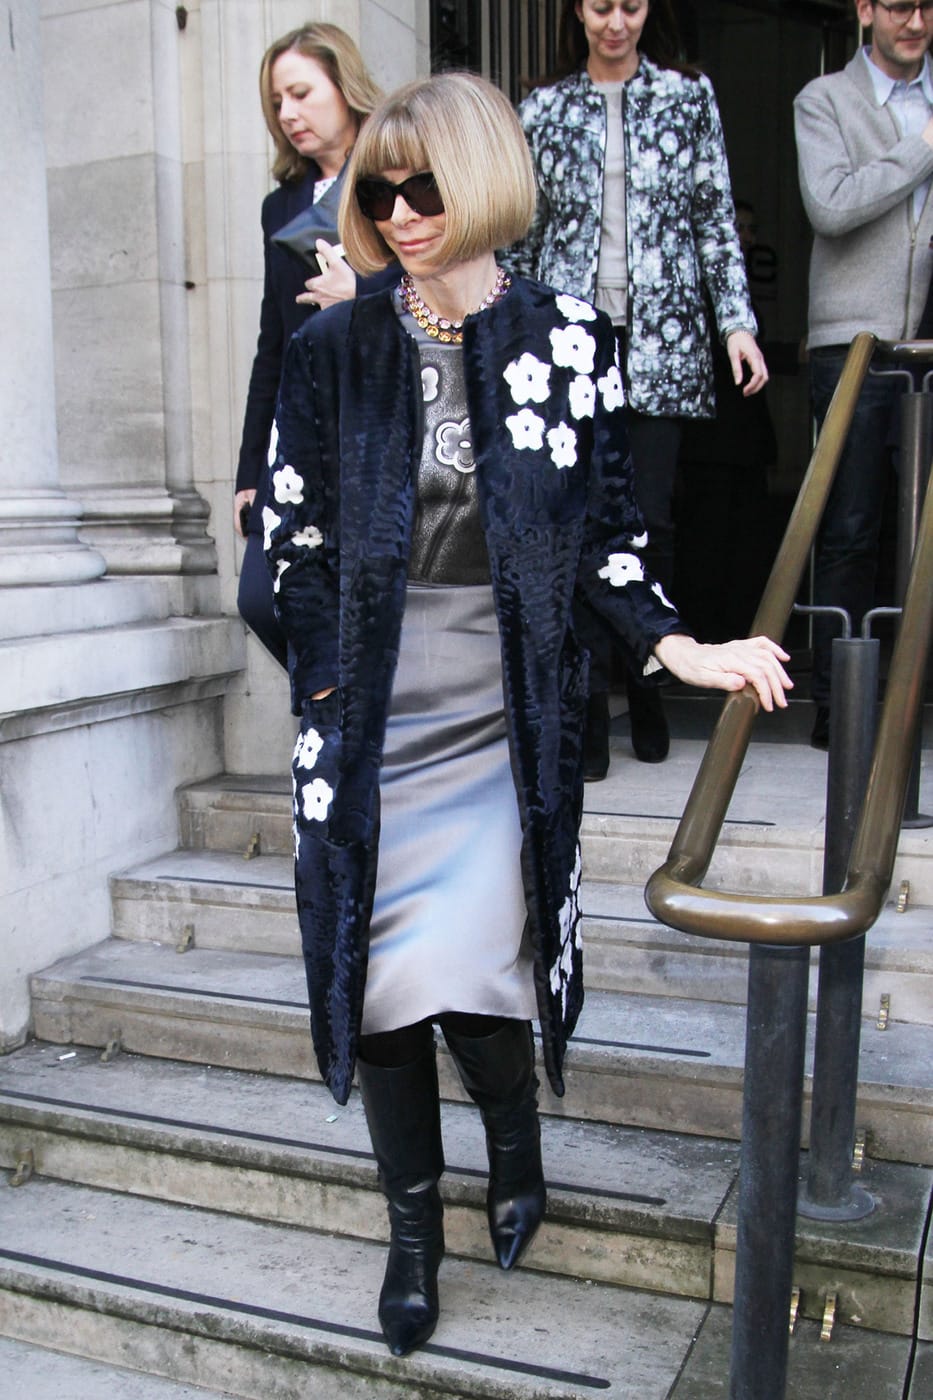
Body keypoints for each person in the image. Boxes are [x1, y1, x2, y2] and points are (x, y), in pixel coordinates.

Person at [265, 71, 791, 1359]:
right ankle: (411, 1233)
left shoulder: (569, 339)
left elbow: (609, 539)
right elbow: (293, 542)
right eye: (379, 191)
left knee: (483, 972)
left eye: (424, 185)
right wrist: (332, 686)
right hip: (374, 714)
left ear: (484, 179)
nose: (399, 211)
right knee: (386, 985)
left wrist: (682, 643)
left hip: (507, 718)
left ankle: (512, 1133)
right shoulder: (337, 349)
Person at [504, 0, 767, 775]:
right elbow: (520, 231)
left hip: (665, 344)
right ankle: (586, 706)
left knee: (647, 524)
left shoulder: (687, 97)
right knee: (568, 520)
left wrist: (736, 326)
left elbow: (713, 219)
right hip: (567, 346)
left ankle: (649, 683)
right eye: (598, 5)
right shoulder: (542, 107)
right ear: (576, 11)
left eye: (629, 5)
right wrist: (508, 338)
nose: (614, 22)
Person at [794, 0, 933, 749]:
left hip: (927, 345)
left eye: (926, 6)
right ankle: (838, 712)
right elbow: (831, 204)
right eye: (899, 5)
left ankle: (911, 712)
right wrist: (920, 146)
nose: (914, 20)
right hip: (850, 344)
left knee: (921, 539)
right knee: (849, 528)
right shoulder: (823, 100)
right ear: (865, 10)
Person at [233, 23, 384, 668]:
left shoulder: (391, 179)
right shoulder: (281, 207)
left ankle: (348, 745)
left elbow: (441, 292)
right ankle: (336, 720)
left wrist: (363, 296)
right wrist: (248, 474)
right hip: (299, 427)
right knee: (263, 599)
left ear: (343, 87)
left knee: (360, 596)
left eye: (300, 93)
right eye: (276, 103)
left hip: (376, 419)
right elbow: (273, 343)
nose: (288, 114)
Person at [677, 199, 777, 642]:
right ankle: (705, 635)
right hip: (704, 438)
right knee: (706, 543)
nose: (745, 236)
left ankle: (739, 631)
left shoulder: (742, 292)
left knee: (746, 543)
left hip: (746, 439)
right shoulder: (686, 287)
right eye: (736, 226)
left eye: (750, 228)